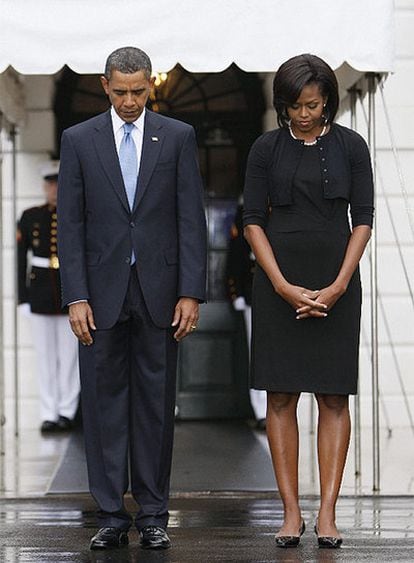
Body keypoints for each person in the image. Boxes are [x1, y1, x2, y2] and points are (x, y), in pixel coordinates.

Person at [57, 46, 207, 551]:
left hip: (161, 294)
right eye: (120, 92)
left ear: (152, 86)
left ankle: (153, 513)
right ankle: (110, 515)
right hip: (97, 297)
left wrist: (191, 291)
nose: (129, 101)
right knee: (101, 407)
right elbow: (70, 224)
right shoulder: (78, 139)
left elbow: (192, 217)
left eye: (138, 91)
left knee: (155, 408)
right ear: (105, 86)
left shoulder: (179, 138)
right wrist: (74, 295)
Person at [243, 54, 373, 549]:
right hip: (278, 285)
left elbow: (363, 218)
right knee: (280, 395)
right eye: (295, 105)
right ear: (283, 105)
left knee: (334, 395)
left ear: (328, 103)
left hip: (337, 283)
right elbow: (252, 218)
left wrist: (340, 284)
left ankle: (328, 514)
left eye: (313, 105)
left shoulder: (351, 147)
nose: (303, 114)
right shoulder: (264, 148)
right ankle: (291, 513)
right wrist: (278, 283)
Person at [17, 161, 80, 433]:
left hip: (67, 292)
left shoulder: (74, 214)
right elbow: (21, 260)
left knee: (69, 357)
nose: (54, 189)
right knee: (44, 357)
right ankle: (48, 412)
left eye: (58, 183)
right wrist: (22, 298)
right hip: (40, 291)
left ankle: (67, 411)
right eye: (50, 184)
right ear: (44, 186)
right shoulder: (30, 215)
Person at [227, 198, 267, 428]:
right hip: (252, 292)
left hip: (281, 294)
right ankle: (261, 410)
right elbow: (237, 253)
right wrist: (236, 291)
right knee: (257, 351)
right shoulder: (244, 210)